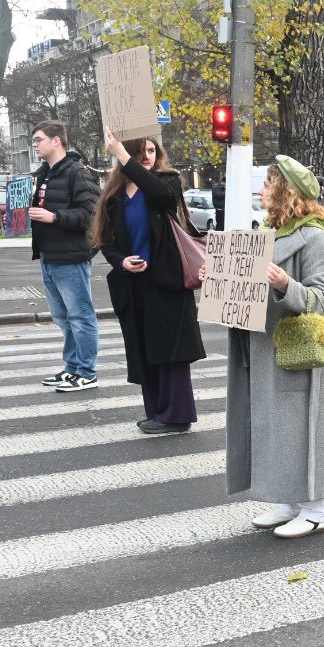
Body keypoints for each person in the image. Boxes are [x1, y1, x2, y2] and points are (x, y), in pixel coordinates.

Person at [224, 155, 324, 539]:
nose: (261, 191)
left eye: (267, 185)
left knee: (306, 427)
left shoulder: (314, 236)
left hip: (301, 352)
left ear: (285, 192)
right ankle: (289, 500)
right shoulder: (267, 233)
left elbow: (323, 297)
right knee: (277, 426)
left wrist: (286, 285)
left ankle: (318, 509)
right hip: (267, 348)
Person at [94, 129, 206, 434]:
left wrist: (123, 157)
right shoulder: (115, 194)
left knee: (171, 350)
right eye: (140, 152)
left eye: (152, 152)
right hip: (134, 282)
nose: (147, 158)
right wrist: (121, 261)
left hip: (167, 280)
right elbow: (105, 238)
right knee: (144, 349)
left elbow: (160, 194)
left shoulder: (167, 181)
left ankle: (178, 415)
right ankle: (157, 412)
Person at [28, 120, 102, 392]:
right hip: (50, 255)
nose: (35, 145)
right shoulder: (45, 173)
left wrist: (54, 216)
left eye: (38, 139)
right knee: (63, 317)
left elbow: (92, 214)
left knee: (80, 316)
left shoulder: (76, 172)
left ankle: (86, 372)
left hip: (71, 257)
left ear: (55, 140)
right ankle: (72, 368)